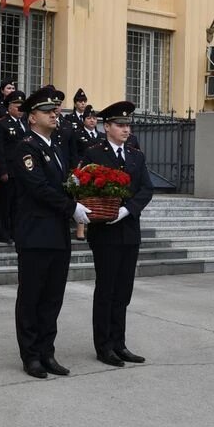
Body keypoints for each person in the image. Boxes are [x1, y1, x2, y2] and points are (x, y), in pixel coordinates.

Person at [12, 89, 92, 379]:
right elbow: (39, 188)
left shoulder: (54, 148)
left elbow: (60, 186)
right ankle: (31, 355)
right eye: (48, 111)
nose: (54, 114)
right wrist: (72, 207)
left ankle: (47, 351)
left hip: (56, 234)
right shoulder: (26, 147)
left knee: (52, 297)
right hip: (35, 234)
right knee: (32, 296)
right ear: (32, 117)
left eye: (56, 111)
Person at [82, 100, 154, 367]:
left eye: (128, 124)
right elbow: (83, 186)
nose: (126, 129)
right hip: (105, 232)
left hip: (128, 230)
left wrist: (127, 210)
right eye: (120, 125)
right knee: (106, 289)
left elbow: (146, 188)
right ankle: (104, 346)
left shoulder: (135, 155)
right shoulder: (94, 154)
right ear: (107, 127)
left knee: (123, 290)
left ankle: (119, 343)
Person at [0, 90, 28, 243]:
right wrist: (2, 170)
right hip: (8, 170)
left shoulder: (26, 124)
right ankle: (4, 234)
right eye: (17, 106)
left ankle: (16, 232)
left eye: (22, 106)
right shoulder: (2, 123)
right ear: (9, 107)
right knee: (5, 204)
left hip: (22, 171)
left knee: (18, 204)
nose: (20, 109)